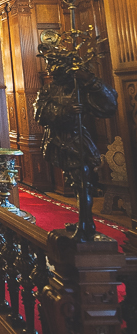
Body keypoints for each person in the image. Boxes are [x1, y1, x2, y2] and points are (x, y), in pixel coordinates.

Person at [34, 36, 117, 240]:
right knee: (75, 182)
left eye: (55, 65)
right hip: (56, 141)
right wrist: (65, 111)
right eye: (49, 65)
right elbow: (40, 114)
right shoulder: (48, 89)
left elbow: (109, 104)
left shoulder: (81, 88)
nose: (51, 70)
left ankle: (86, 223)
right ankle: (84, 221)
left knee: (83, 184)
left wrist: (90, 80)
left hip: (76, 139)